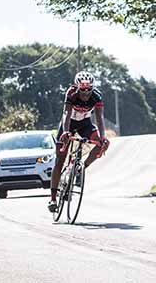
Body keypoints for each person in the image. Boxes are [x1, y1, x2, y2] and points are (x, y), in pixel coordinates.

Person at [48, 71, 109, 213]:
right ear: (77, 87)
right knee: (60, 159)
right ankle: (53, 198)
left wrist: (103, 137)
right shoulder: (71, 93)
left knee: (102, 145)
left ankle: (81, 168)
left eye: (89, 89)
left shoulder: (97, 96)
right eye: (83, 89)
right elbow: (67, 114)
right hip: (69, 123)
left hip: (85, 124)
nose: (86, 92)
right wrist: (65, 132)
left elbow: (100, 118)